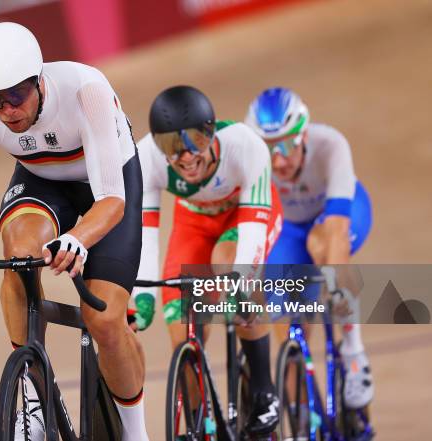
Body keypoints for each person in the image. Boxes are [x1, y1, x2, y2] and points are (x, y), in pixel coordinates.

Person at [0, 22, 149, 441]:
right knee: (19, 253)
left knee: (105, 318)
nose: (6, 111)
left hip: (107, 184)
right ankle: (33, 404)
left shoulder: (85, 90)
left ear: (39, 80)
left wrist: (79, 238)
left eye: (15, 97)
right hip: (42, 181)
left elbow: (111, 200)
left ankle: (135, 433)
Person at [132, 85, 283, 436]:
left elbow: (252, 233)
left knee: (227, 264)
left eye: (194, 142)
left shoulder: (246, 146)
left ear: (211, 134)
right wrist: (143, 295)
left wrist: (241, 285)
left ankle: (263, 391)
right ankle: (200, 424)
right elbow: (145, 233)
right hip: (194, 224)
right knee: (181, 325)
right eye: (172, 146)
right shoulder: (146, 159)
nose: (185, 156)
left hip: (245, 218)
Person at [245, 87, 374, 410]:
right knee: (284, 319)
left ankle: (353, 352)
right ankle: (303, 413)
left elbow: (337, 227)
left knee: (325, 247)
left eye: (287, 144)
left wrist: (331, 281)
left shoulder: (331, 145)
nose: (279, 159)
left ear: (303, 134)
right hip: (289, 229)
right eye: (268, 148)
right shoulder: (252, 162)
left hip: (339, 214)